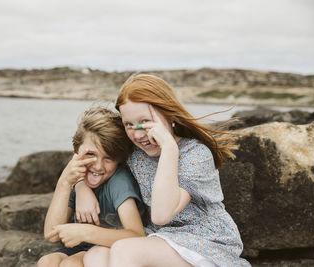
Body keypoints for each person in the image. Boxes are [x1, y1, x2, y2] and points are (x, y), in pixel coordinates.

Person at [76, 74, 251, 267]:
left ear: (169, 115)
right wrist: (81, 187)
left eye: (145, 121)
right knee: (96, 255)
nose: (139, 133)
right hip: (161, 238)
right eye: (129, 125)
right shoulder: (135, 153)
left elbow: (161, 215)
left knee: (124, 249)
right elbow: (92, 154)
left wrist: (169, 147)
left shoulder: (196, 154)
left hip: (205, 242)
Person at [37, 107, 145, 267]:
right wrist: (66, 182)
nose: (98, 166)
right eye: (90, 154)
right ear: (76, 151)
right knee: (46, 262)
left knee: (71, 264)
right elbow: (51, 235)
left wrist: (85, 232)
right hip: (82, 245)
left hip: (110, 247)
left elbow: (137, 236)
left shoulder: (119, 181)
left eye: (108, 158)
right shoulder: (76, 178)